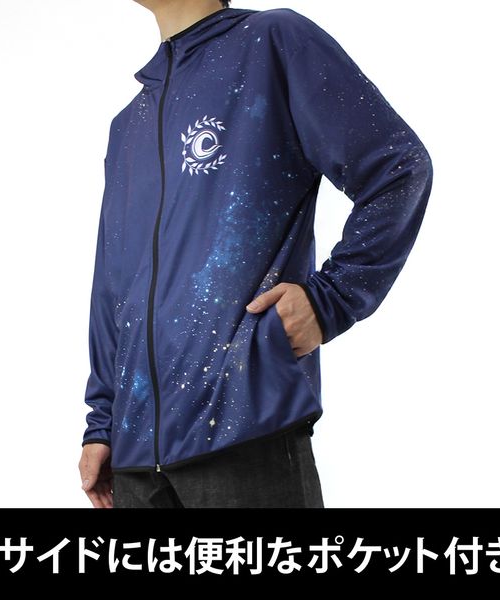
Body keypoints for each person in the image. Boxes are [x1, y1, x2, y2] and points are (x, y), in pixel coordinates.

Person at [78, 0, 434, 508]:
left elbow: (398, 168)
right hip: (134, 463)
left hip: (242, 427)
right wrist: (101, 421)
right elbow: (113, 283)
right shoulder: (128, 125)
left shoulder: (272, 42)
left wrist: (330, 299)